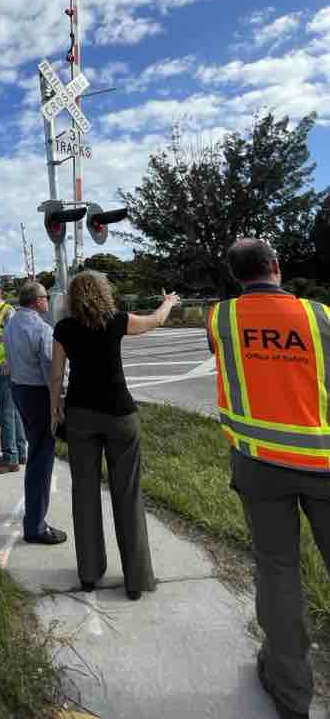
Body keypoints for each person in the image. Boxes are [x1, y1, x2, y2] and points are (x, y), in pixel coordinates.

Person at [207, 238, 330, 719]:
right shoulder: (320, 316)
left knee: (278, 574)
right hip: (324, 460)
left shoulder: (220, 319)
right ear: (277, 266)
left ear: (238, 276)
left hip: (259, 464)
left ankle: (292, 691)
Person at [50, 271, 179, 595]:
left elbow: (55, 376)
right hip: (120, 416)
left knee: (85, 494)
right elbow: (155, 321)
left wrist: (55, 408)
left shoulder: (64, 329)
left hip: (80, 416)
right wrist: (168, 303)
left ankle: (89, 575)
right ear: (103, 293)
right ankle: (136, 580)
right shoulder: (117, 321)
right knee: (128, 496)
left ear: (72, 298)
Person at [3, 280, 66, 544]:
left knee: (34, 448)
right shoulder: (41, 329)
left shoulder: (11, 323)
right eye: (44, 297)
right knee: (41, 458)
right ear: (37, 301)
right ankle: (36, 526)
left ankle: (33, 513)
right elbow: (53, 372)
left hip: (19, 389)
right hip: (38, 394)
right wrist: (57, 406)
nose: (47, 301)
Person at [0, 281, 27, 473]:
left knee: (5, 411)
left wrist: (8, 361)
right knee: (13, 410)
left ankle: (10, 458)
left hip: (3, 367)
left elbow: (17, 338)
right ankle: (20, 451)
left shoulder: (6, 310)